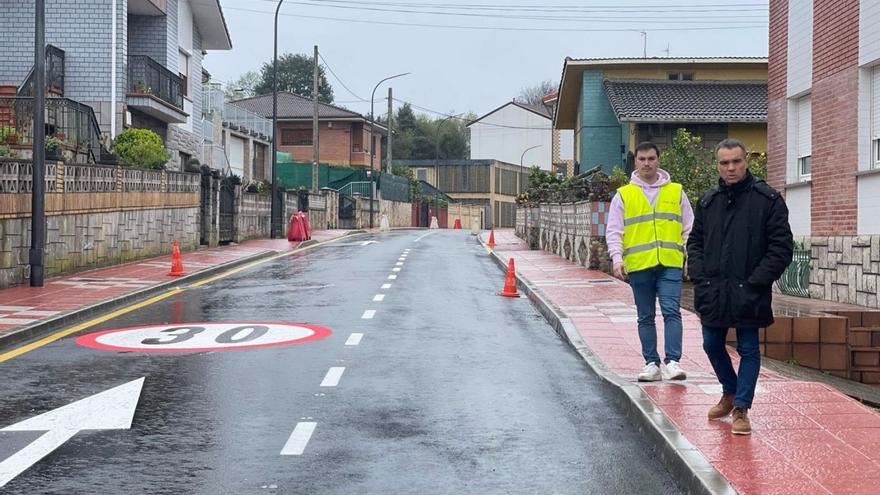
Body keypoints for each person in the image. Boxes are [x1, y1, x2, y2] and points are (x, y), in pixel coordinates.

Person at [687, 138, 793, 435]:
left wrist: (756, 281)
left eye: (736, 161)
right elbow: (695, 242)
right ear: (717, 165)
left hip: (750, 290)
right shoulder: (708, 201)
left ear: (747, 161)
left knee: (748, 348)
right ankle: (730, 391)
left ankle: (741, 408)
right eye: (724, 163)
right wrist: (698, 273)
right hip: (714, 290)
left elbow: (781, 248)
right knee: (710, 343)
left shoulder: (767, 200)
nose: (731, 168)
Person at [607, 142, 694, 382]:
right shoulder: (624, 194)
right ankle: (651, 364)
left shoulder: (676, 191)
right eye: (643, 159)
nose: (647, 163)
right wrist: (617, 258)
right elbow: (614, 230)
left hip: (670, 263)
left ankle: (673, 362)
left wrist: (691, 257)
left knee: (671, 311)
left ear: (658, 160)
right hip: (639, 265)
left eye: (651, 158)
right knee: (645, 316)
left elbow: (689, 228)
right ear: (636, 162)